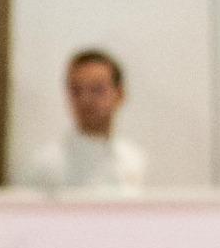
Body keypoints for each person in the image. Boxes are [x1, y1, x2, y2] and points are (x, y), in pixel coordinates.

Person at [19, 48, 147, 194]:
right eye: (76, 90)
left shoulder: (134, 160)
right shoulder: (44, 167)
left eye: (97, 89)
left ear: (120, 95)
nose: (85, 100)